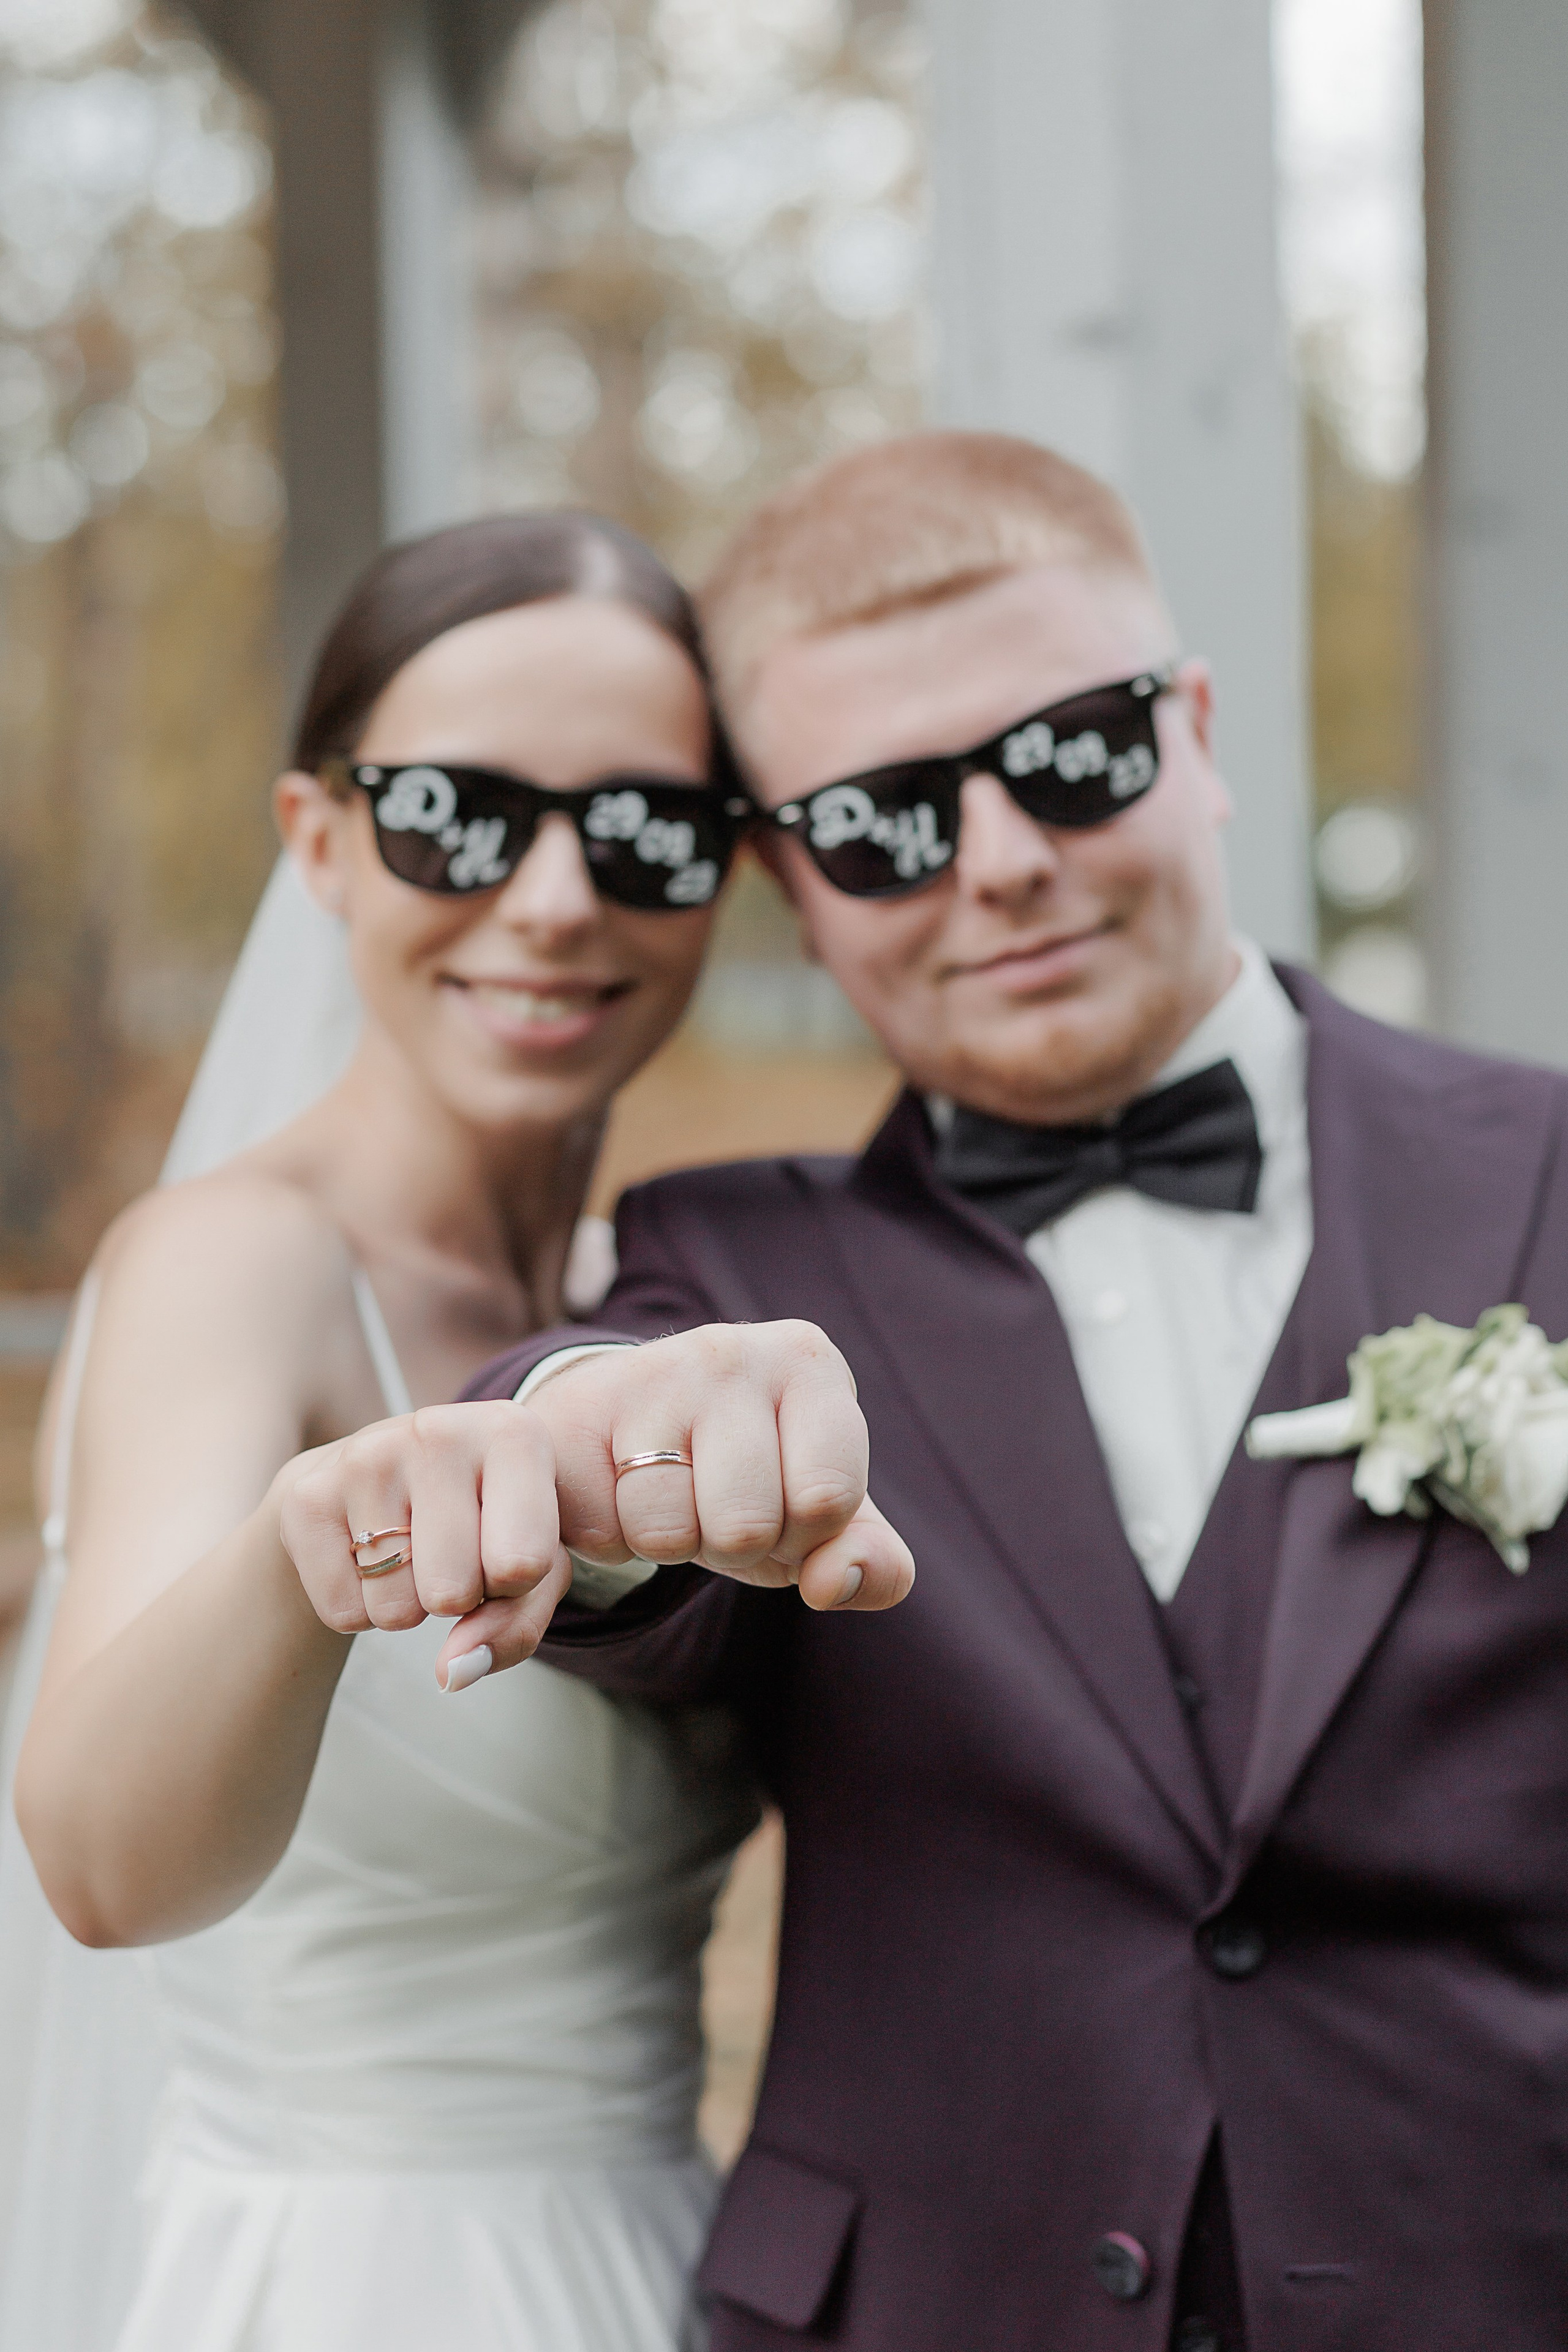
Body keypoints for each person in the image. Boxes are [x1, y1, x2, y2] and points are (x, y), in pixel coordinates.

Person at [276, 428, 1568, 2350]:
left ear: (1197, 733)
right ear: (791, 886)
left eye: (1075, 755)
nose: (1005, 863)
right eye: (885, 822)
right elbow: (602, 1430)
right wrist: (588, 1453)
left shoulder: (1544, 1173)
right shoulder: (729, 1263)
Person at [7, 511, 765, 2352]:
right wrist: (305, 1552)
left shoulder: (650, 1303)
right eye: (459, 816)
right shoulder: (237, 1266)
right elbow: (103, 1867)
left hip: (673, 2261)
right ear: (320, 840)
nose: (558, 898)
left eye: (646, 830)